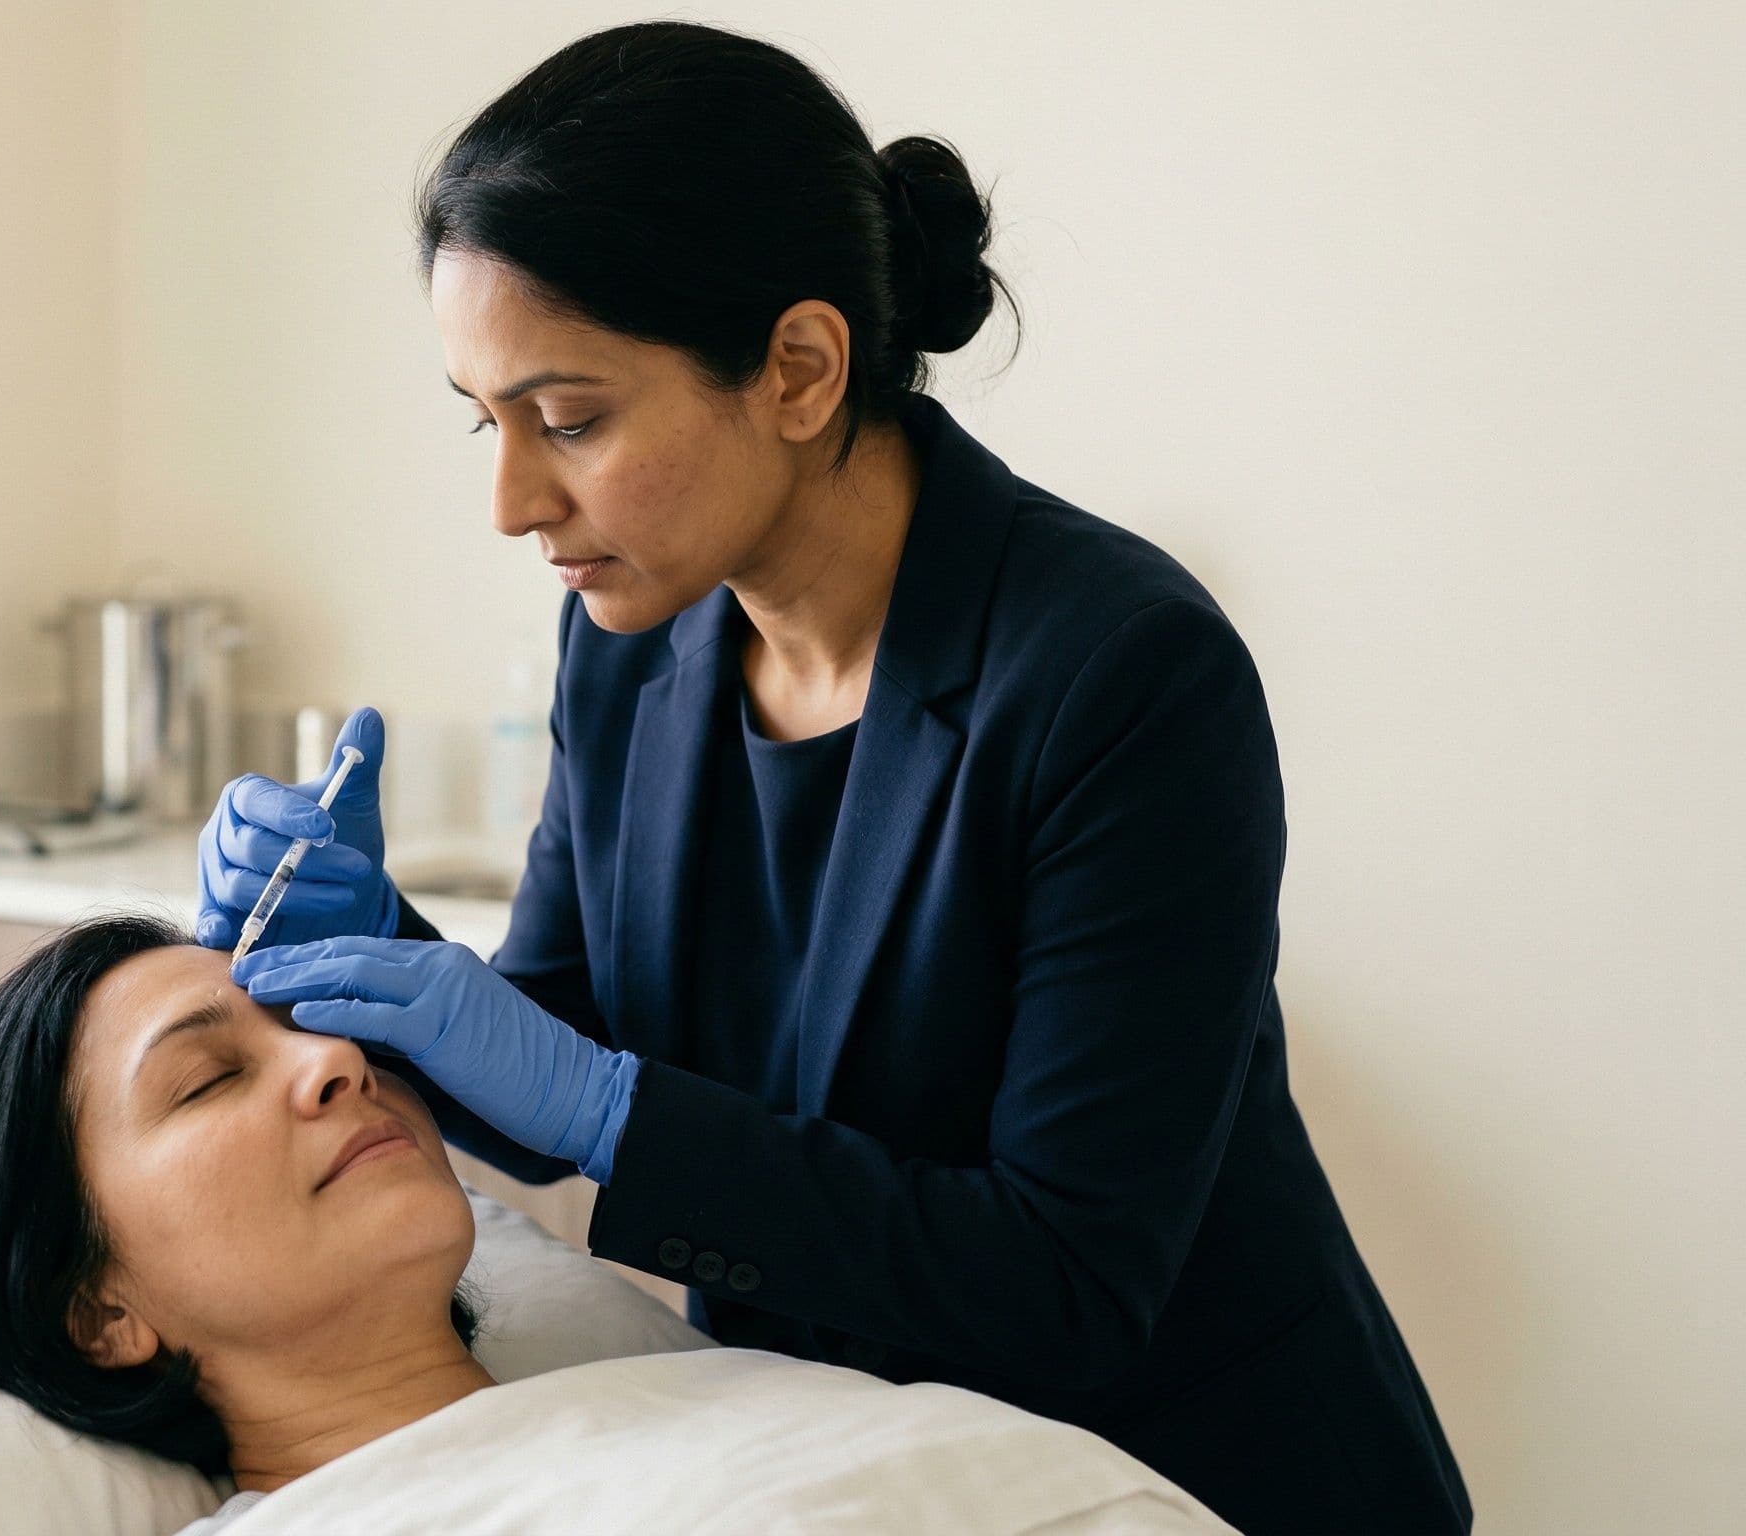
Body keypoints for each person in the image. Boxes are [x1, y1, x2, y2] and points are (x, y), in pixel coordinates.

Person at [192, 20, 1469, 1535]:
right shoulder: (629, 641)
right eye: (487, 422)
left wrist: (605, 1106)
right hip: (854, 1462)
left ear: (800, 369)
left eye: (573, 419)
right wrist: (381, 951)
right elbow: (568, 1046)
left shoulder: (1119, 673)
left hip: (1178, 1480)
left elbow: (1062, 1277)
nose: (514, 502)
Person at [0, 912, 493, 1531]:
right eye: (208, 1080)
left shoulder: (586, 1409)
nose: (337, 1059)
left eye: (328, 1022)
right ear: (99, 1315)